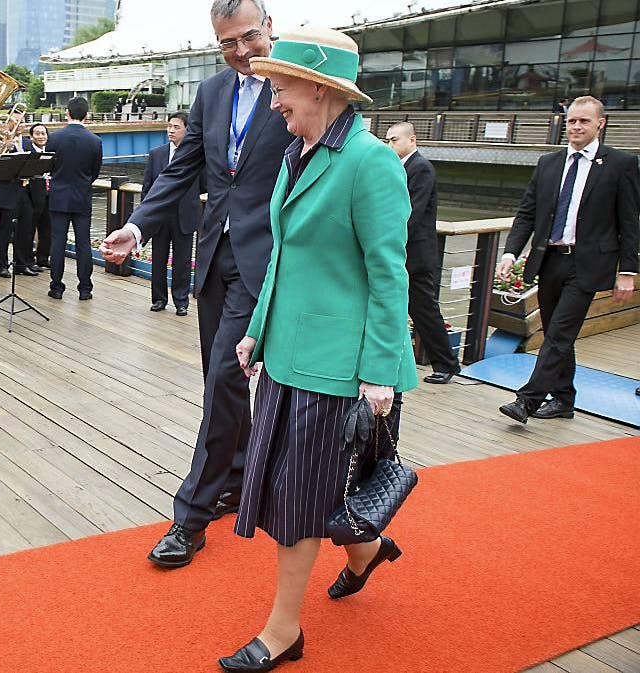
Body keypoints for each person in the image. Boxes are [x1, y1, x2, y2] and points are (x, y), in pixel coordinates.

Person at [223, 27, 416, 672]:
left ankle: (283, 632)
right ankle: (365, 551)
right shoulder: (296, 152)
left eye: (280, 87)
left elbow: (390, 274)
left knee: (297, 498)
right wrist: (257, 328)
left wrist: (381, 373)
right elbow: (285, 252)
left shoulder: (372, 162)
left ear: (320, 87)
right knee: (295, 486)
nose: (273, 100)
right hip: (284, 353)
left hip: (338, 366)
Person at [100, 0, 294, 568]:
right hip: (213, 256)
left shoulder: (296, 85)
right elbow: (183, 170)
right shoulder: (211, 93)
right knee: (222, 378)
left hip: (268, 260)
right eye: (227, 43)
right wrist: (137, 227)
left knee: (224, 384)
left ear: (270, 28)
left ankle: (191, 515)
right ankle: (238, 478)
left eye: (249, 38)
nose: (240, 51)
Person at [496, 95, 638, 424]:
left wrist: (627, 271)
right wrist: (510, 252)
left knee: (559, 333)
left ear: (600, 123)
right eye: (571, 120)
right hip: (550, 260)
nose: (575, 127)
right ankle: (564, 398)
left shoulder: (620, 164)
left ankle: (527, 400)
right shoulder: (549, 163)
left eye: (584, 121)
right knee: (558, 333)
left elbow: (631, 222)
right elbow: (527, 213)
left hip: (588, 264)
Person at [385, 121, 462, 384]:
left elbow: (412, 214)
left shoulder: (421, 168)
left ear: (412, 140)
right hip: (402, 254)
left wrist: (386, 240)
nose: (390, 144)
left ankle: (447, 364)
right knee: (401, 308)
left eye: (394, 139)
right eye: (387, 140)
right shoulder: (397, 168)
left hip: (415, 256)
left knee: (424, 311)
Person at [142, 111, 199, 316]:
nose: (171, 131)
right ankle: (158, 299)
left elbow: (204, 183)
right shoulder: (156, 154)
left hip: (185, 215)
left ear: (187, 130)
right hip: (160, 216)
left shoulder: (195, 155)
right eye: (169, 126)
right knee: (158, 258)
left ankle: (181, 301)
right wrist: (145, 216)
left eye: (176, 127)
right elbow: (147, 187)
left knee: (183, 261)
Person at [45, 96, 102, 300]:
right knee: (83, 243)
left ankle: (56, 287)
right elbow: (95, 171)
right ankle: (85, 288)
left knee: (58, 243)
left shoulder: (54, 138)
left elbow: (48, 167)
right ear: (87, 115)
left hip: (59, 196)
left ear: (67, 113)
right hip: (82, 197)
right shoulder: (95, 141)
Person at [0, 114, 37, 278]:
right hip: (7, 190)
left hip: (24, 190)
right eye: (17, 121)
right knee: (5, 230)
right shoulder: (0, 140)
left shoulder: (26, 142)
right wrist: (4, 147)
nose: (20, 124)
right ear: (8, 123)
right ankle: (2, 265)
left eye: (23, 122)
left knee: (25, 228)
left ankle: (21, 263)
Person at [26, 123, 51, 270]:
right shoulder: (28, 151)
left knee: (47, 229)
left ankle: (43, 258)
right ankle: (29, 260)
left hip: (49, 195)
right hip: (32, 196)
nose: (41, 136)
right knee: (29, 229)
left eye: (43, 133)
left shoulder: (51, 151)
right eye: (37, 134)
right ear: (31, 136)